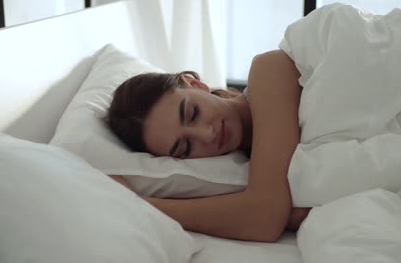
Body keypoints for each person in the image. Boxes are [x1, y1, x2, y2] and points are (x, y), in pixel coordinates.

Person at [107, 50, 311, 242]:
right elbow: (289, 213)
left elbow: (265, 217)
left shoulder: (268, 70)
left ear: (195, 84)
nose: (207, 135)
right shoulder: (249, 171)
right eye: (185, 147)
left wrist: (143, 204)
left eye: (193, 113)